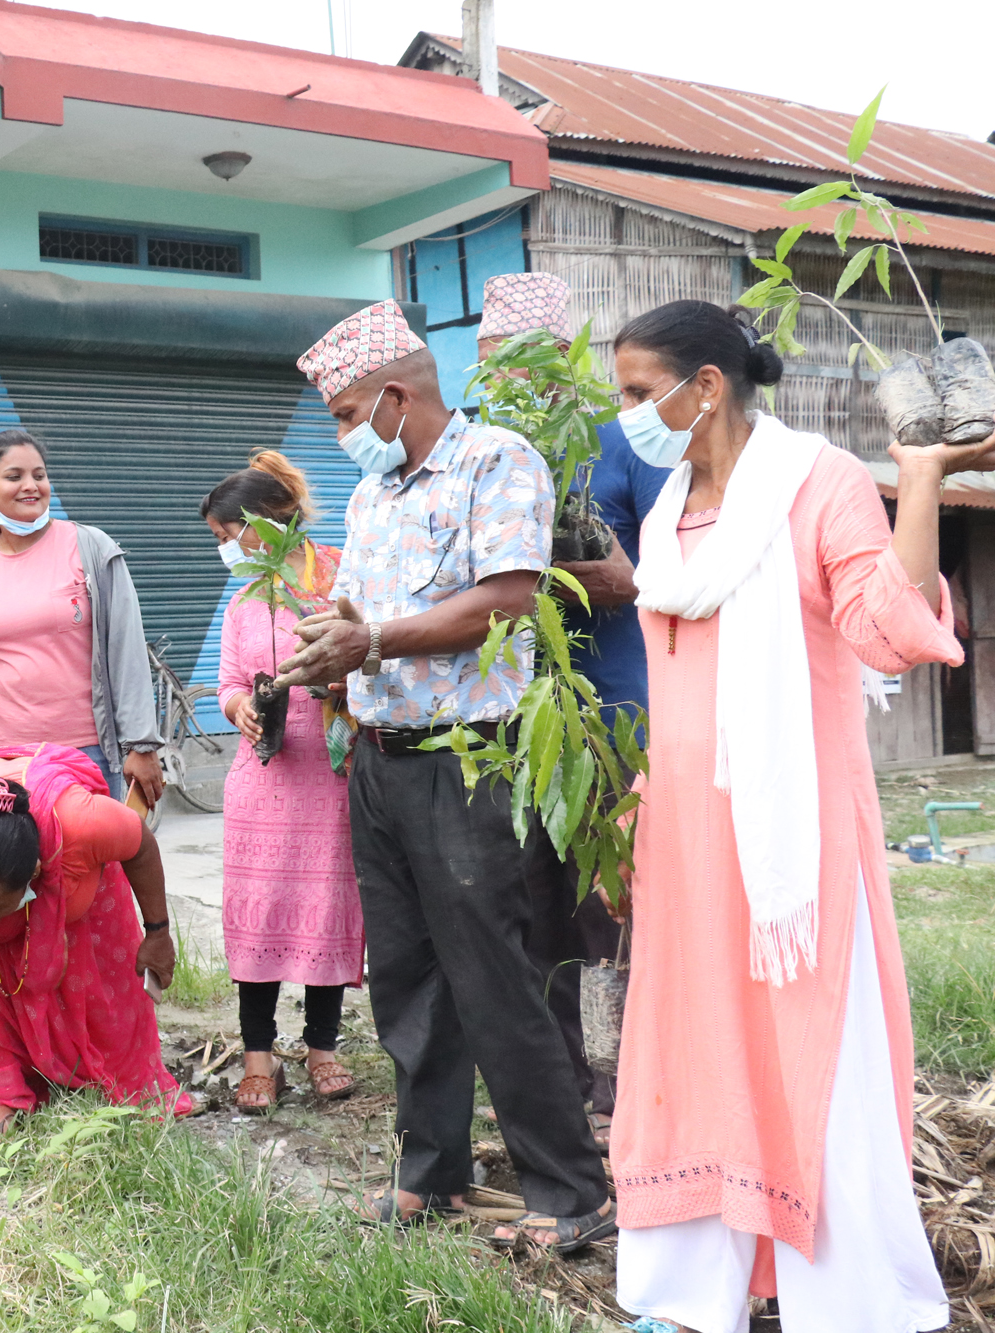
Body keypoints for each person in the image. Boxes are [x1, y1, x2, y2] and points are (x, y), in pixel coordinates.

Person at [609, 300, 974, 1333]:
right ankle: (685, 1296)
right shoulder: (663, 512)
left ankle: (848, 1303)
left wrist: (917, 480)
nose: (630, 414)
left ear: (705, 386)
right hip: (685, 839)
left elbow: (886, 629)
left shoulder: (812, 485)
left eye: (640, 393)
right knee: (690, 1051)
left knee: (813, 1053)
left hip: (789, 846)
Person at [276, 299, 612, 1249]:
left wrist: (371, 638)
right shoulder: (375, 493)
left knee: (495, 978)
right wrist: (329, 640)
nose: (341, 436)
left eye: (345, 415)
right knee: (409, 979)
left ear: (393, 397)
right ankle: (434, 1172)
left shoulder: (497, 461)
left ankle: (567, 1189)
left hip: (465, 761)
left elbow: (507, 601)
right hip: (380, 763)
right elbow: (359, 610)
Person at [479, 272, 672, 1151]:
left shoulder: (617, 444)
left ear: (559, 358)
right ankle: (559, 1070)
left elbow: (645, 577)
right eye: (490, 365)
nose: (505, 383)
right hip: (512, 718)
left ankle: (627, 1072)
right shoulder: (485, 455)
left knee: (611, 893)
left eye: (517, 363)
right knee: (531, 900)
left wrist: (535, 584)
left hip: (610, 709)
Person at [0, 744, 183, 1202]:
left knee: (99, 970)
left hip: (69, 848)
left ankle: (112, 1075)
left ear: (34, 873)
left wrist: (158, 932)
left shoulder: (85, 824)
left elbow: (141, 846)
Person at [201, 451, 363, 1112]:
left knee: (328, 909)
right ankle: (258, 1055)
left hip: (331, 772)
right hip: (261, 779)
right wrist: (238, 705)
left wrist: (339, 685)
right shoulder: (245, 599)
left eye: (225, 535)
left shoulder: (337, 576)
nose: (224, 551)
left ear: (263, 523)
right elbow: (230, 681)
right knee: (258, 912)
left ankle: (323, 1047)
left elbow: (370, 654)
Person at [0, 430, 163, 803]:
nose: (31, 486)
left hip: (85, 754)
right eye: (14, 477)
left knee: (85, 862)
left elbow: (126, 648)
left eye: (39, 475)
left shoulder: (91, 548)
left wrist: (141, 744)